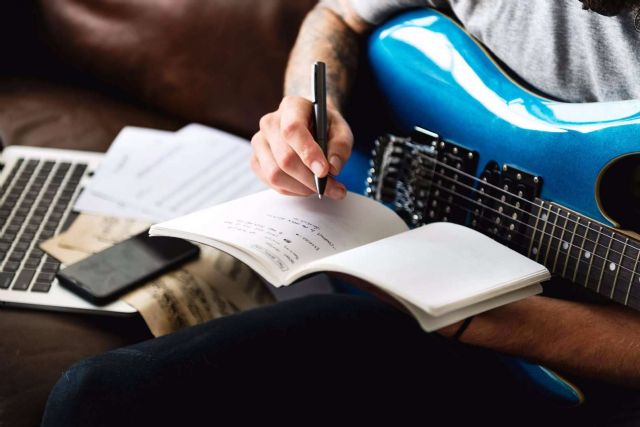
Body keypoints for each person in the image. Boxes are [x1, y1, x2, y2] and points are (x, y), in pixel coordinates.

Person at [42, 1, 640, 425]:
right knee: (97, 395)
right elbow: (338, 15)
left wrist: (473, 314)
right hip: (415, 303)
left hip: (550, 353)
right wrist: (303, 105)